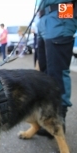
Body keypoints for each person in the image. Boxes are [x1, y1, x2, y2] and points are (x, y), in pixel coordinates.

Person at [36, 0, 77, 137]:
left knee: (57, 72)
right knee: (44, 73)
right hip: (43, 18)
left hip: (61, 12)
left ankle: (59, 121)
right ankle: (49, 119)